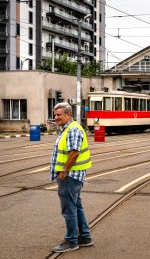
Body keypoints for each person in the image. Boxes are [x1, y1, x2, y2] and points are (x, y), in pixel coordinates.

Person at [50, 102, 93, 253]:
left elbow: (74, 152)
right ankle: (85, 237)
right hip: (73, 175)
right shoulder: (68, 128)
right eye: (55, 115)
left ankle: (71, 241)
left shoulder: (73, 129)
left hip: (70, 176)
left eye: (59, 115)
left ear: (68, 115)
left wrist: (64, 171)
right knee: (76, 206)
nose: (56, 117)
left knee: (69, 209)